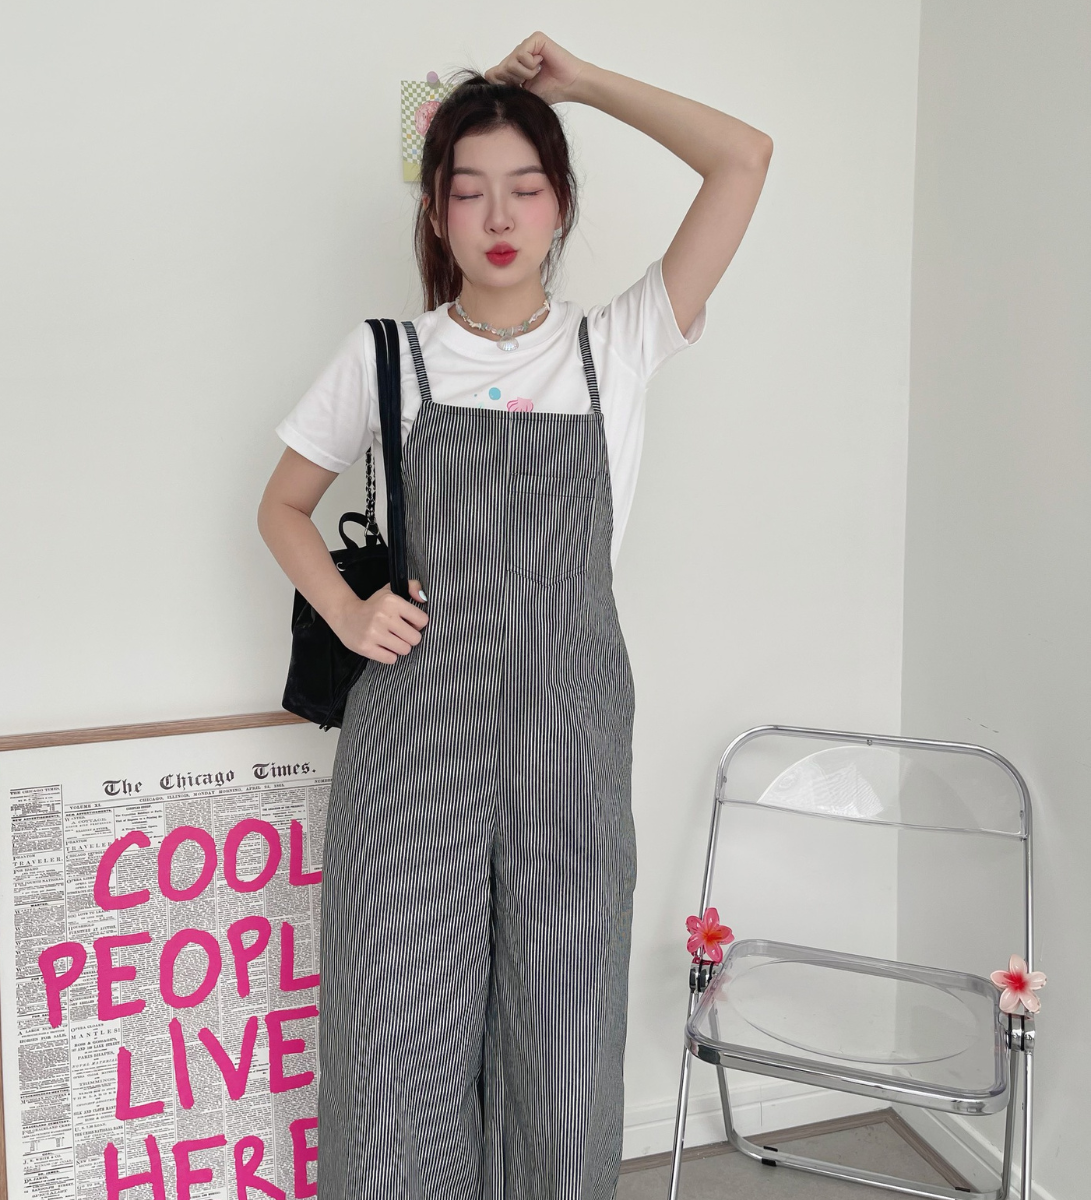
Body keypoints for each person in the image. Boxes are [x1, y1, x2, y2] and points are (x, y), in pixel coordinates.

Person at [257, 31, 771, 1200]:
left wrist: (582, 84)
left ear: (562, 205)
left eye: (526, 188)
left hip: (569, 745)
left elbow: (743, 158)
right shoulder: (387, 357)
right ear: (435, 214)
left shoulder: (617, 347)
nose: (498, 216)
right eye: (468, 190)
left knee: (564, 1040)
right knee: (397, 1041)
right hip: (414, 744)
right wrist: (348, 611)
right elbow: (282, 506)